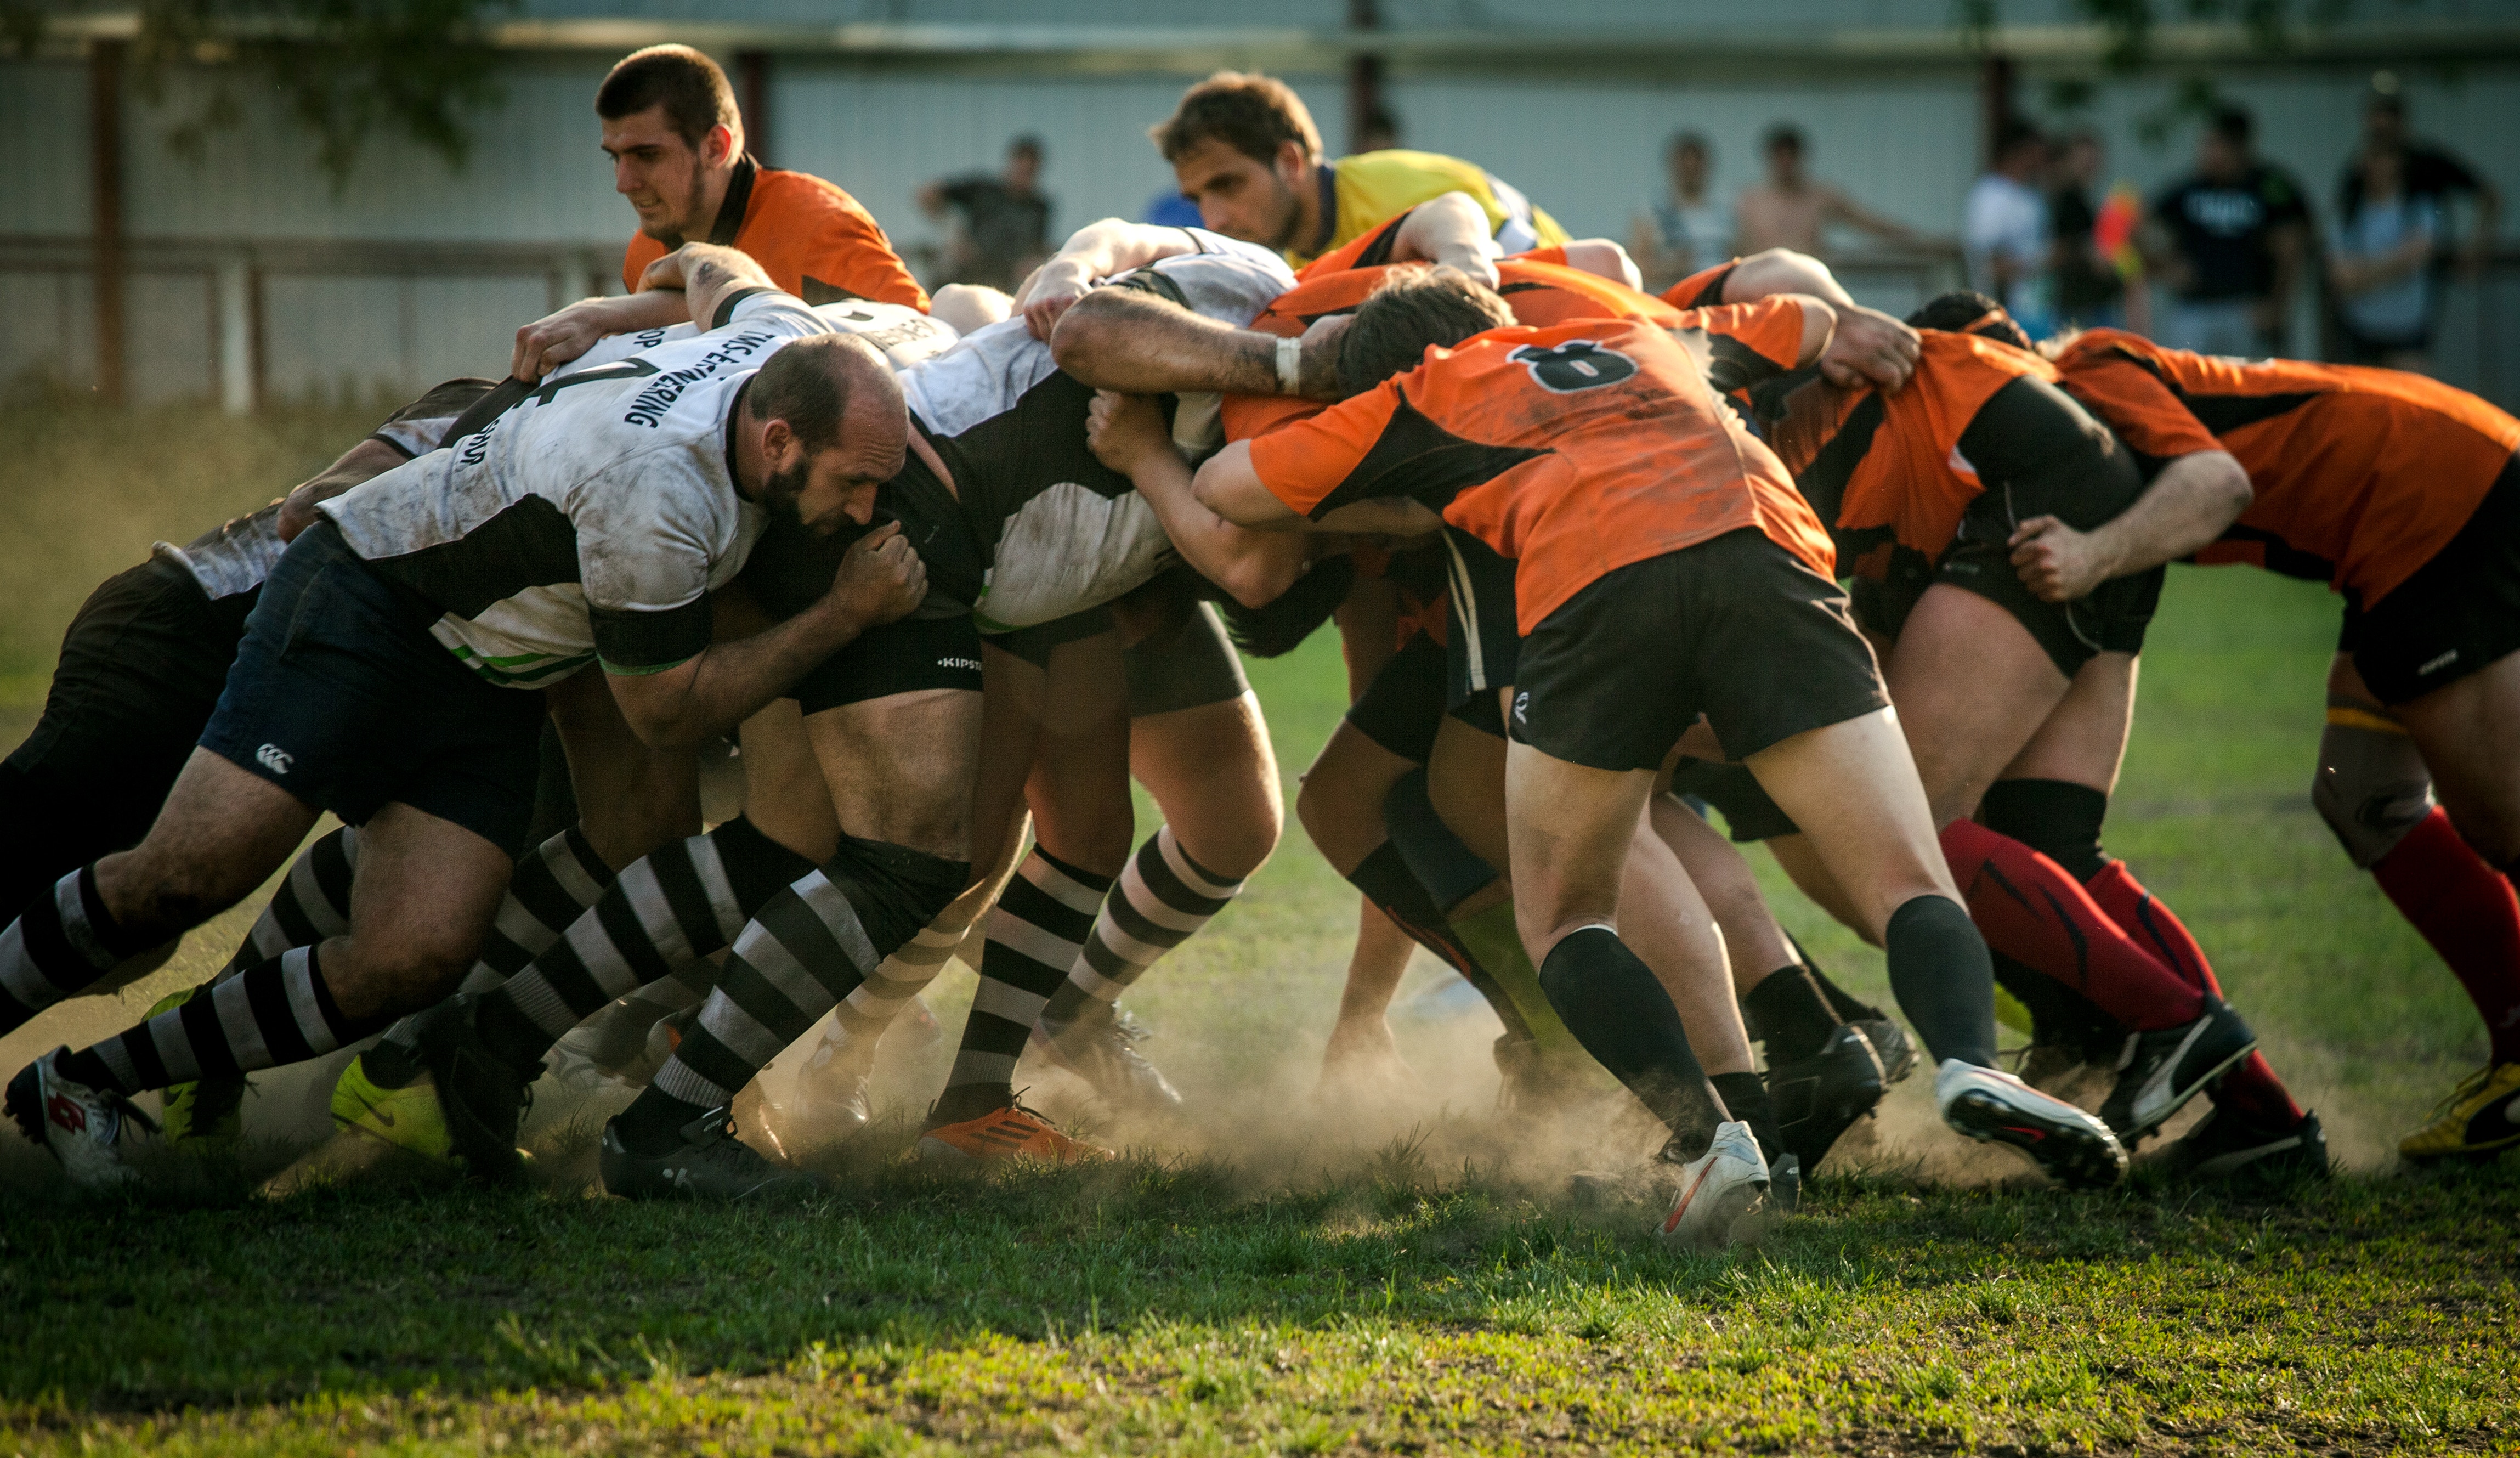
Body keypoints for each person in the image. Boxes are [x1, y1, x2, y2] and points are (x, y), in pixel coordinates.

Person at [1195, 267, 2131, 1239]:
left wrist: (1410, 499)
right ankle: (1970, 1062)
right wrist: (1834, 329)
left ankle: (1707, 1137)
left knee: (1565, 912)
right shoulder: (1641, 330)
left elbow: (1231, 490)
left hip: (1598, 594)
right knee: (1907, 873)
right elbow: (1804, 322)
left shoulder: (1422, 390)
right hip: (1765, 561)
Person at [5, 252, 927, 1189]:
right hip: (371, 597)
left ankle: (85, 1079)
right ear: (777, 442)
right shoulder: (656, 493)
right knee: (192, 871)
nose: (866, 509)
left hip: (486, 670)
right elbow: (665, 709)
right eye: (854, 481)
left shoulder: (774, 334)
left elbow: (715, 264)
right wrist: (842, 615)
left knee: (417, 954)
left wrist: (599, 309)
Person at [2038, 323, 2520, 1163]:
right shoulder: (2079, 387)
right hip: (2408, 507)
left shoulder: (2083, 369)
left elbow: (2215, 483)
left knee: (2502, 819)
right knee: (2363, 796)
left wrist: (2087, 555)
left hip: (2431, 501)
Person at [603, 44, 927, 309]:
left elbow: (925, 347)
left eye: (647, 155)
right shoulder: (643, 256)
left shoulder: (817, 231)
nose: (624, 183)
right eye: (616, 157)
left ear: (716, 148)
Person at [1149, 70, 1567, 269]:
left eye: (1229, 185)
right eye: (1198, 199)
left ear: (1290, 162)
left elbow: (1541, 291)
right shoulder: (1297, 264)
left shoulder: (1411, 196)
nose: (1213, 219)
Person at [2140, 106, 2309, 357]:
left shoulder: (2269, 186)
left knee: (2247, 391)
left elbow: (2293, 246)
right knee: (2186, 389)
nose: (2206, 153)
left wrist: (2277, 306)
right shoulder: (2189, 189)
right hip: (2193, 311)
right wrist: (2162, 267)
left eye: (2214, 145)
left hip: (2246, 310)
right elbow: (2138, 225)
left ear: (2238, 147)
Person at [2348, 75, 2502, 278]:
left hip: (2426, 288)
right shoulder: (2357, 174)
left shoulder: (2428, 164)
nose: (2382, 122)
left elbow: (2490, 196)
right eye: (2378, 113)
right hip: (2372, 294)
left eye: (2390, 113)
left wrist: (2476, 248)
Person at [1734, 123, 1935, 259]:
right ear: (1770, 158)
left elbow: (1868, 222)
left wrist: (1921, 240)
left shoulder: (1820, 197)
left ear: (1800, 158)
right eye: (1780, 157)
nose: (1786, 164)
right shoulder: (1751, 200)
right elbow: (1734, 248)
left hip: (1809, 287)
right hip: (1762, 290)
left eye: (1791, 156)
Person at [2329, 142, 2443, 369]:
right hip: (2360, 329)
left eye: (2386, 159)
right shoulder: (2348, 212)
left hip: (2408, 329)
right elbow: (2341, 277)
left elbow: (2417, 256)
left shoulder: (2419, 208)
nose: (2379, 167)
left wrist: (2362, 273)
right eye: (2373, 158)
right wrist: (2395, 264)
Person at [918, 135, 1056, 293]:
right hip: (965, 275)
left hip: (1005, 285)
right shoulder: (983, 190)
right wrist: (952, 235)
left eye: (1030, 172)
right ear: (1012, 164)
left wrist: (1031, 267)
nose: (1024, 177)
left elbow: (1038, 248)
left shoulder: (1040, 207)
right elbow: (929, 193)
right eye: (1021, 170)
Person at [2048, 127, 2148, 335]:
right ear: (2067, 160)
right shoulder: (2066, 200)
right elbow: (2091, 253)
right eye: (2083, 159)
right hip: (2079, 307)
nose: (2089, 166)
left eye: (2093, 159)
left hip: (2090, 304)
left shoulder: (2083, 199)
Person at [1961, 118, 2054, 339]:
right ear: (2018, 152)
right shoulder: (1990, 196)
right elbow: (1990, 266)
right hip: (2005, 319)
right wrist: (2046, 260)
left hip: (2040, 313)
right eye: (2036, 153)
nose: (2041, 160)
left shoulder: (2032, 196)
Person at [1632, 132, 1735, 294]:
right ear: (1673, 167)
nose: (1691, 173)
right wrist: (1676, 267)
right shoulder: (1653, 212)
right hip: (1672, 300)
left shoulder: (1727, 211)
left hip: (1718, 302)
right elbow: (1637, 269)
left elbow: (1743, 256)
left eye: (1696, 167)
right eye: (1685, 167)